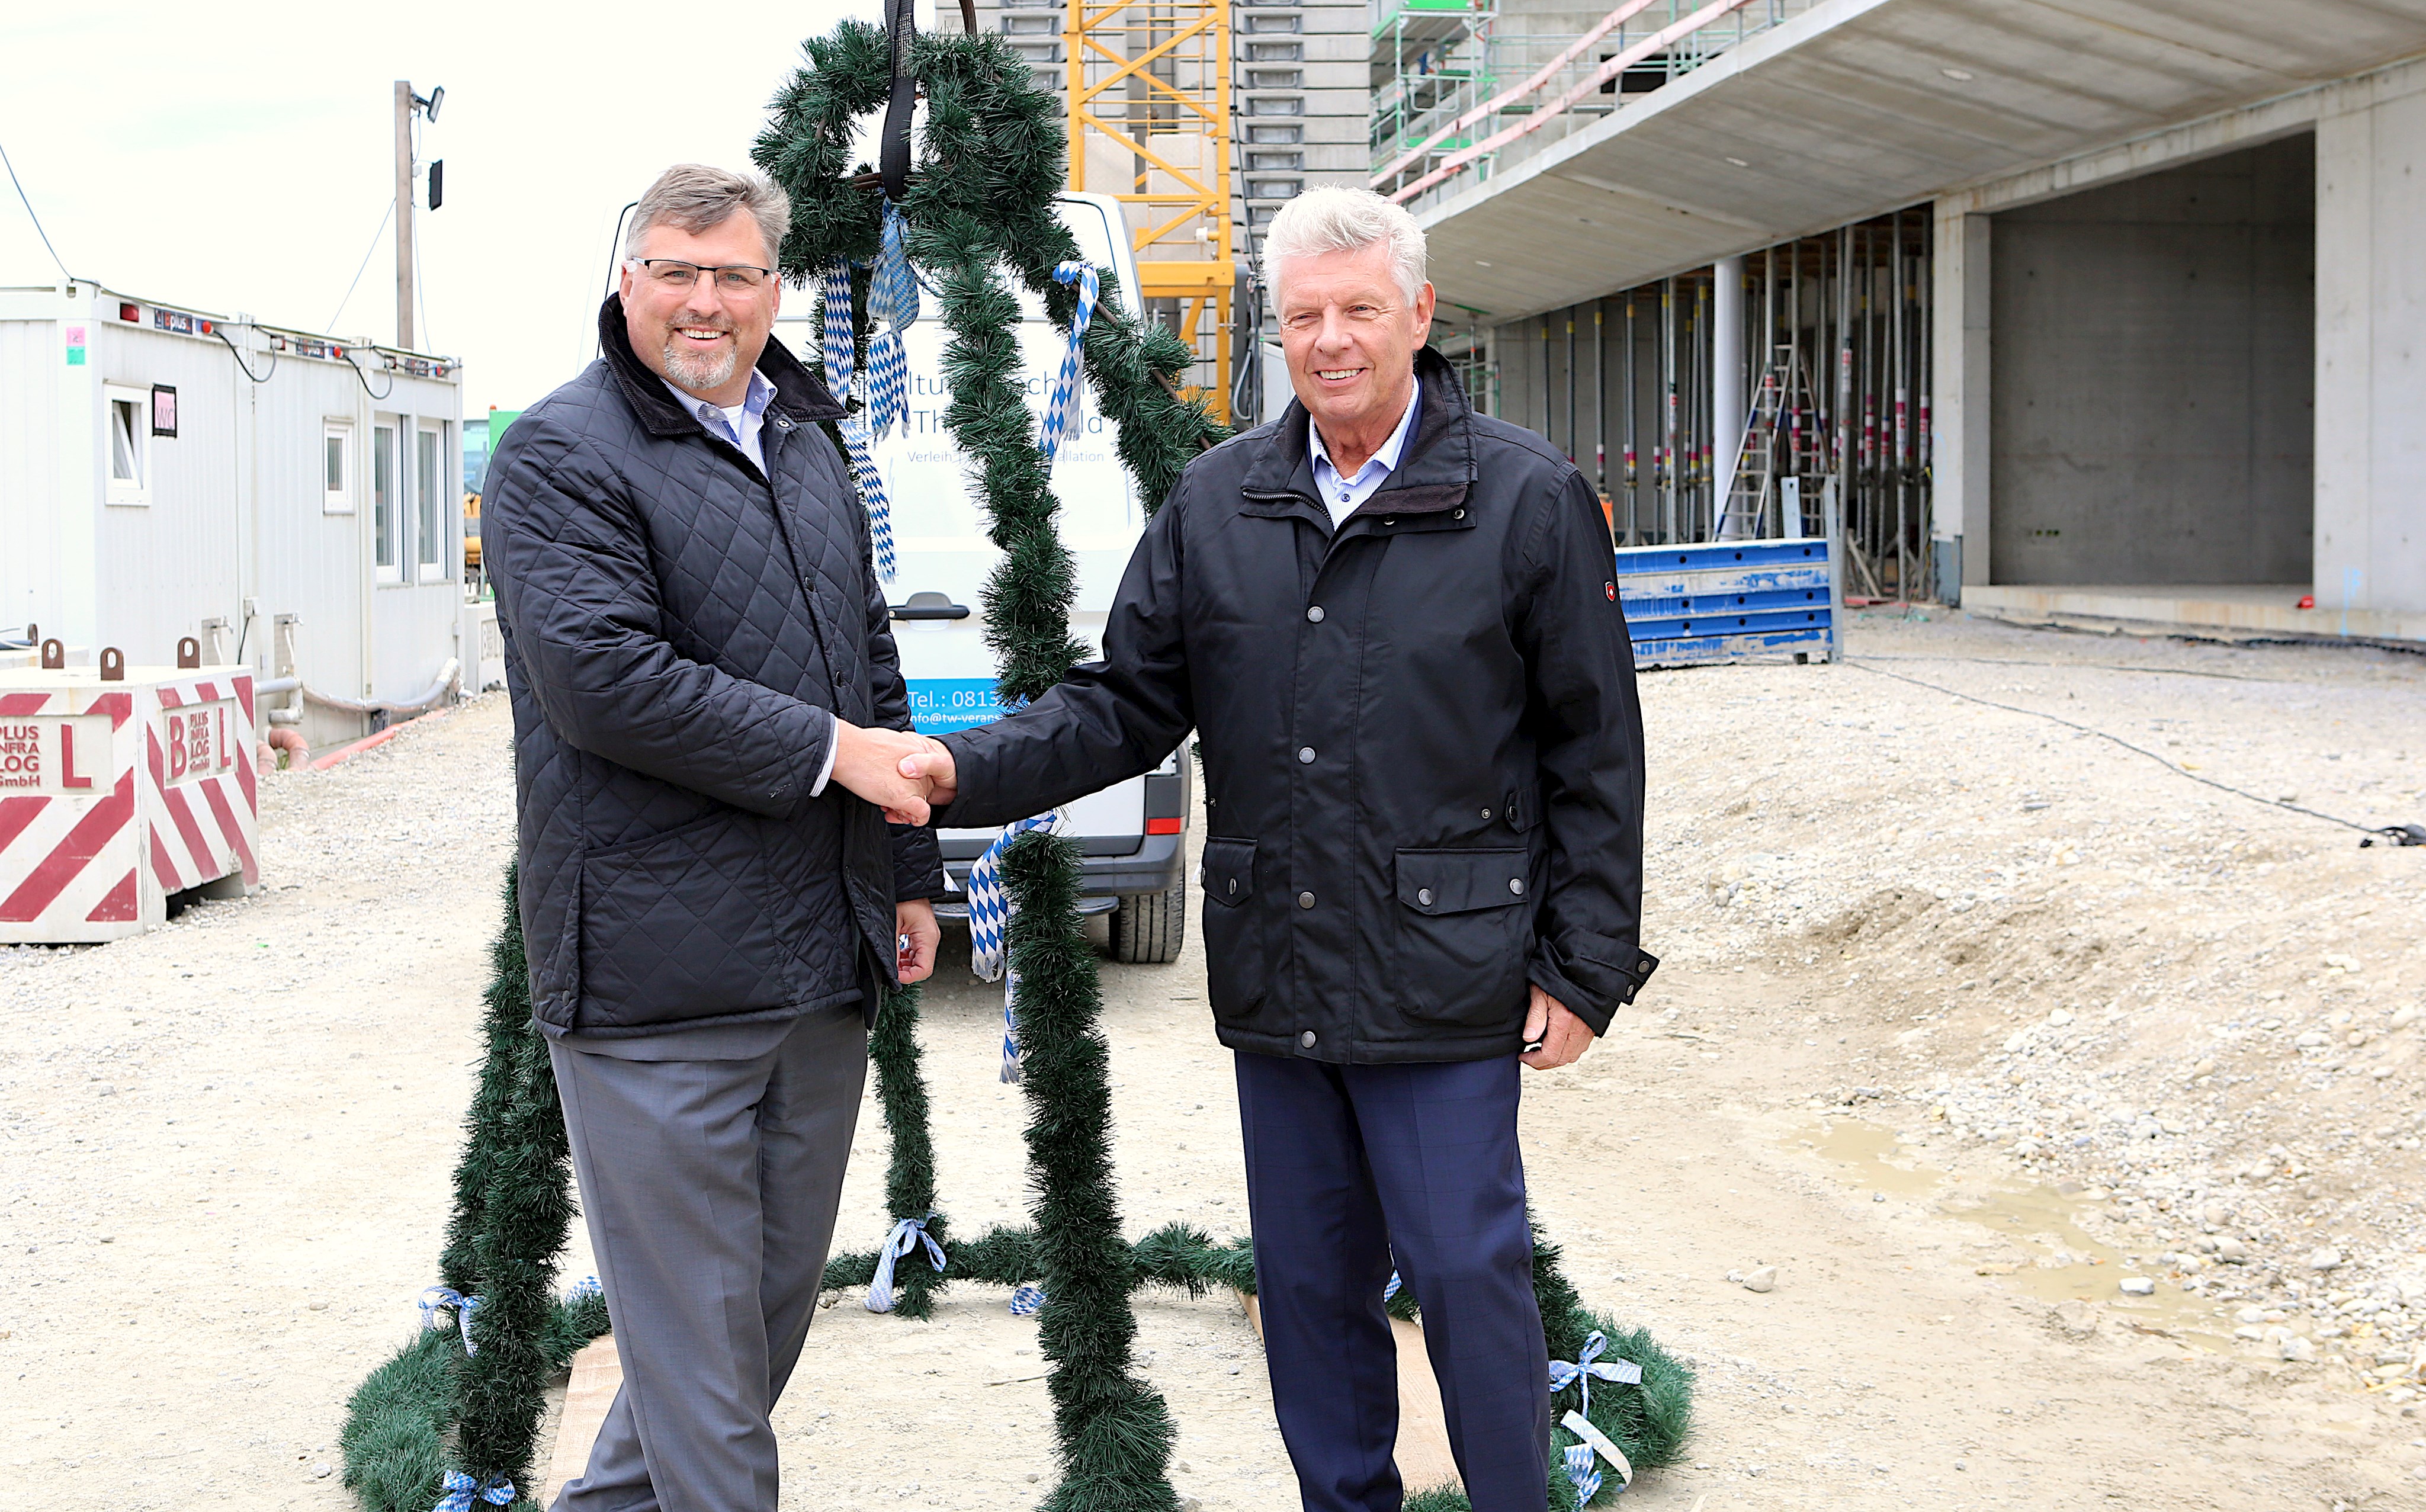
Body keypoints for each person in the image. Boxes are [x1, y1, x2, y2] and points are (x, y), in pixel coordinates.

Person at [897, 185, 1656, 1512]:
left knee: (1470, 1278)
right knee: (1307, 1289)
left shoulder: (1525, 502)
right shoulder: (1219, 501)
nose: (1332, 340)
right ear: (1275, 332)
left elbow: (1595, 753)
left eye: (1361, 308)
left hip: (1445, 974)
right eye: (1303, 315)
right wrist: (961, 766)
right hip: (1283, 974)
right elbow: (1126, 699)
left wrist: (1583, 968)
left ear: (1419, 313)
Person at [483, 162, 939, 1512]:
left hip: (817, 961)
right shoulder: (559, 454)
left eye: (733, 274)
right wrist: (832, 756)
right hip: (653, 981)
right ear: (627, 282)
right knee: (698, 1365)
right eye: (675, 271)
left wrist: (908, 873)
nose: (704, 300)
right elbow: (601, 680)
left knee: (746, 1336)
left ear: (771, 290)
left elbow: (864, 655)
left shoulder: (802, 439)